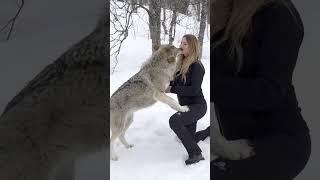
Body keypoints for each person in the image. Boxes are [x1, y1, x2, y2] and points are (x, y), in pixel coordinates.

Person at [211, 0, 311, 179]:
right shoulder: (225, 9)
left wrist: (211, 86)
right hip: (235, 141)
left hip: (279, 141)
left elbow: (270, 90)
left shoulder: (280, 13)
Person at [165, 34, 207, 165]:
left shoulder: (197, 66)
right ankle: (208, 132)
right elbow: (173, 82)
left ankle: (196, 154)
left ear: (192, 47)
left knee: (174, 121)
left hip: (197, 107)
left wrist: (172, 89)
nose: (181, 46)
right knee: (189, 136)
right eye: (181, 43)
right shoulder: (181, 64)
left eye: (185, 44)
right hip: (186, 106)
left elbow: (193, 90)